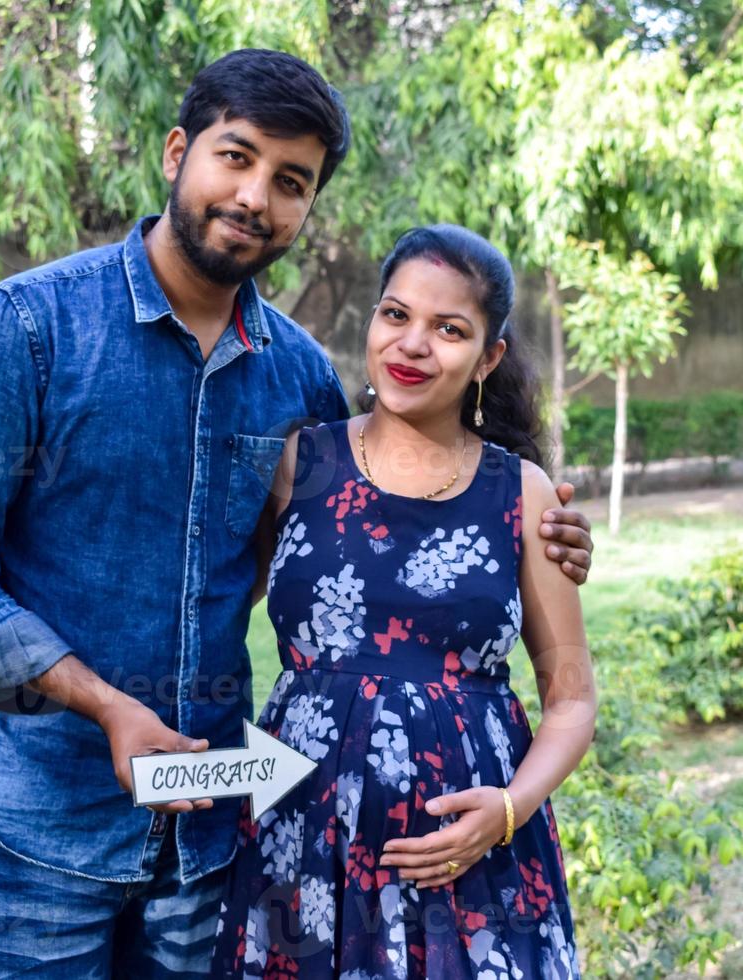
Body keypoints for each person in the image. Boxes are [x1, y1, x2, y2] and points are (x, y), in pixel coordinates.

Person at [0, 50, 594, 977]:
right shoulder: (28, 329)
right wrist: (106, 708)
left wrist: (532, 525)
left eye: (290, 181)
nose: (256, 195)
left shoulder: (297, 377)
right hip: (39, 825)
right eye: (237, 156)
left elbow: (354, 528)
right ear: (177, 151)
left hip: (217, 837)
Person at [210, 224, 596, 979]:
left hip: (468, 861)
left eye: (449, 329)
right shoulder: (300, 464)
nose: (413, 344)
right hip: (300, 841)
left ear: (489, 358)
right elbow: (213, 597)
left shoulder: (520, 494)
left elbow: (573, 702)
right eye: (396, 315)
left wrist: (509, 810)